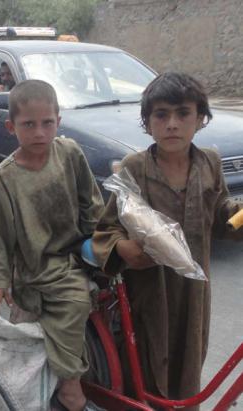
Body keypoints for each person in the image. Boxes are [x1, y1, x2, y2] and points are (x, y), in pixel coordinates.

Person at [92, 72, 243, 409]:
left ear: (200, 119)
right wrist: (123, 248)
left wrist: (238, 217)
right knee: (146, 363)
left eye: (183, 113)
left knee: (187, 366)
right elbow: (107, 229)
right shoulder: (135, 167)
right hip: (146, 291)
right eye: (161, 115)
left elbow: (221, 216)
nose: (172, 124)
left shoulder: (209, 164)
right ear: (147, 123)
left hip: (193, 294)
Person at [0, 80, 104, 411]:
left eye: (47, 123)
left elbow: (91, 203)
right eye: (29, 124)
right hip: (40, 267)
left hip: (78, 249)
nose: (39, 132)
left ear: (58, 122)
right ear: (11, 127)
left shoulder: (70, 153)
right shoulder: (5, 178)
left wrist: (104, 241)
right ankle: (69, 383)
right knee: (76, 301)